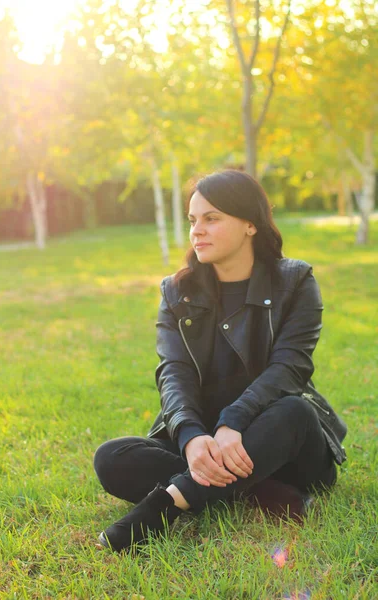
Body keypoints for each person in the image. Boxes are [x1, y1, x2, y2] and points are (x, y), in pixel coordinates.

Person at [94, 169, 347, 553]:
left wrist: (235, 421)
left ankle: (167, 502)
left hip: (281, 442)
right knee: (112, 458)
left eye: (212, 219)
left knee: (295, 411)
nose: (197, 230)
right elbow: (173, 373)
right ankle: (262, 494)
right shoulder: (177, 291)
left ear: (250, 224)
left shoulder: (294, 281)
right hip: (211, 442)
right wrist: (191, 436)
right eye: (194, 220)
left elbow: (289, 369)